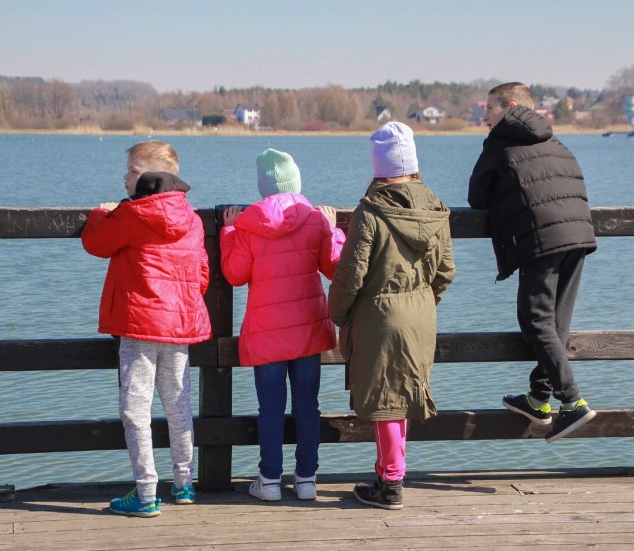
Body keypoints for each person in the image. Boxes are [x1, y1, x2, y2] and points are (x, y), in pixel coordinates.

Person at [328, 122, 455, 510]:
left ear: (378, 167)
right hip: (420, 312)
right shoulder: (434, 208)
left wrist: (339, 312)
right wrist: (422, 300)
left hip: (380, 315)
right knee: (401, 398)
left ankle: (391, 483)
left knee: (387, 403)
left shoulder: (371, 212)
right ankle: (389, 474)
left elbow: (351, 274)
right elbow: (446, 270)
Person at [81, 140, 212, 517]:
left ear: (147, 177)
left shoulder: (133, 213)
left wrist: (97, 213)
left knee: (135, 408)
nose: (125, 177)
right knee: (179, 405)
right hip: (179, 325)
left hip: (139, 325)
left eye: (131, 171)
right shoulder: (192, 219)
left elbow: (96, 242)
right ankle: (184, 484)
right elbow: (201, 274)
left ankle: (145, 493)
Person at [468, 82, 598, 443]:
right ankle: (539, 398)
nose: (485, 117)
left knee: (535, 320)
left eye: (489, 110)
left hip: (544, 236)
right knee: (555, 323)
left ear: (509, 107)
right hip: (579, 234)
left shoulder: (500, 140)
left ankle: (572, 402)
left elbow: (476, 197)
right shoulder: (554, 140)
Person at [220, 149, 345, 502]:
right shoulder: (316, 220)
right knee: (308, 405)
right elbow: (336, 268)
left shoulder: (248, 224)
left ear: (263, 187)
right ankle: (307, 479)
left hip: (267, 334)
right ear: (297, 181)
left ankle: (270, 480)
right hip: (307, 331)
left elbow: (233, 274)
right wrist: (334, 230)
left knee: (270, 408)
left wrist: (229, 230)